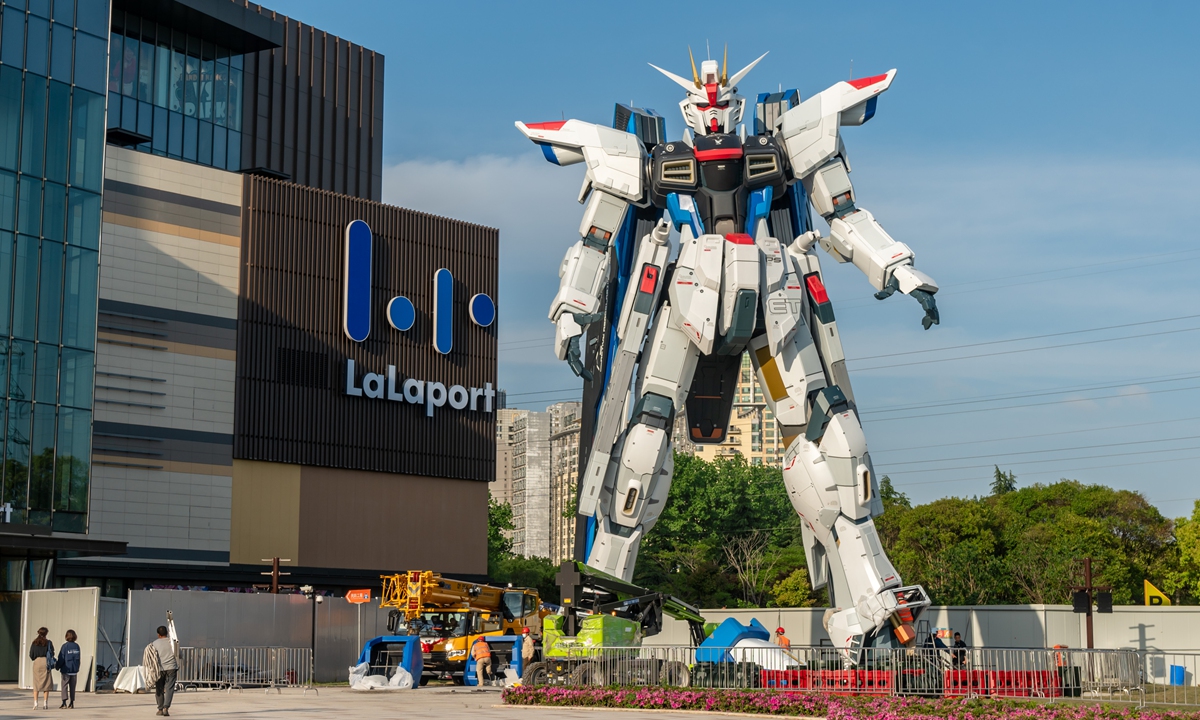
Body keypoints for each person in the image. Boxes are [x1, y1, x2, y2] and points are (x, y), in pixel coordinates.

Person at [143, 625, 178, 716]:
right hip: (172, 668)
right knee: (169, 688)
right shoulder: (173, 643)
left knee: (159, 688)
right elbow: (179, 654)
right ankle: (166, 707)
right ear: (167, 633)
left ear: (158, 635)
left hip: (159, 669)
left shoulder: (154, 644)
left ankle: (160, 709)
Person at [28, 626, 55, 710]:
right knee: (46, 683)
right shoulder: (48, 642)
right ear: (46, 633)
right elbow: (52, 653)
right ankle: (45, 703)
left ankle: (35, 703)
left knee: (36, 683)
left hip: (36, 662)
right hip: (45, 662)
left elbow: (31, 654)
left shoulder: (34, 642)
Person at [57, 630, 82, 709]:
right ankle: (72, 702)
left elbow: (61, 658)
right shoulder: (77, 646)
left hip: (66, 669)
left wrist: (57, 666)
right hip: (74, 670)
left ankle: (64, 702)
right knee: (73, 687)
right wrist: (77, 668)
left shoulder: (65, 646)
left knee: (64, 686)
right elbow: (78, 658)